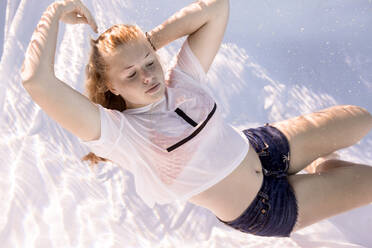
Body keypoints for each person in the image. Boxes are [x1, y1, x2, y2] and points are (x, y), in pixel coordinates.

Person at [21, 0, 372, 238]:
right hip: (266, 206)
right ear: (109, 86)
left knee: (361, 119)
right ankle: (319, 174)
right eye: (130, 74)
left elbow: (217, 7)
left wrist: (151, 40)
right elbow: (37, 82)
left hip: (264, 148)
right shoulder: (121, 134)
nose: (148, 77)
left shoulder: (181, 80)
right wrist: (58, 8)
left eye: (149, 62)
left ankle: (318, 169)